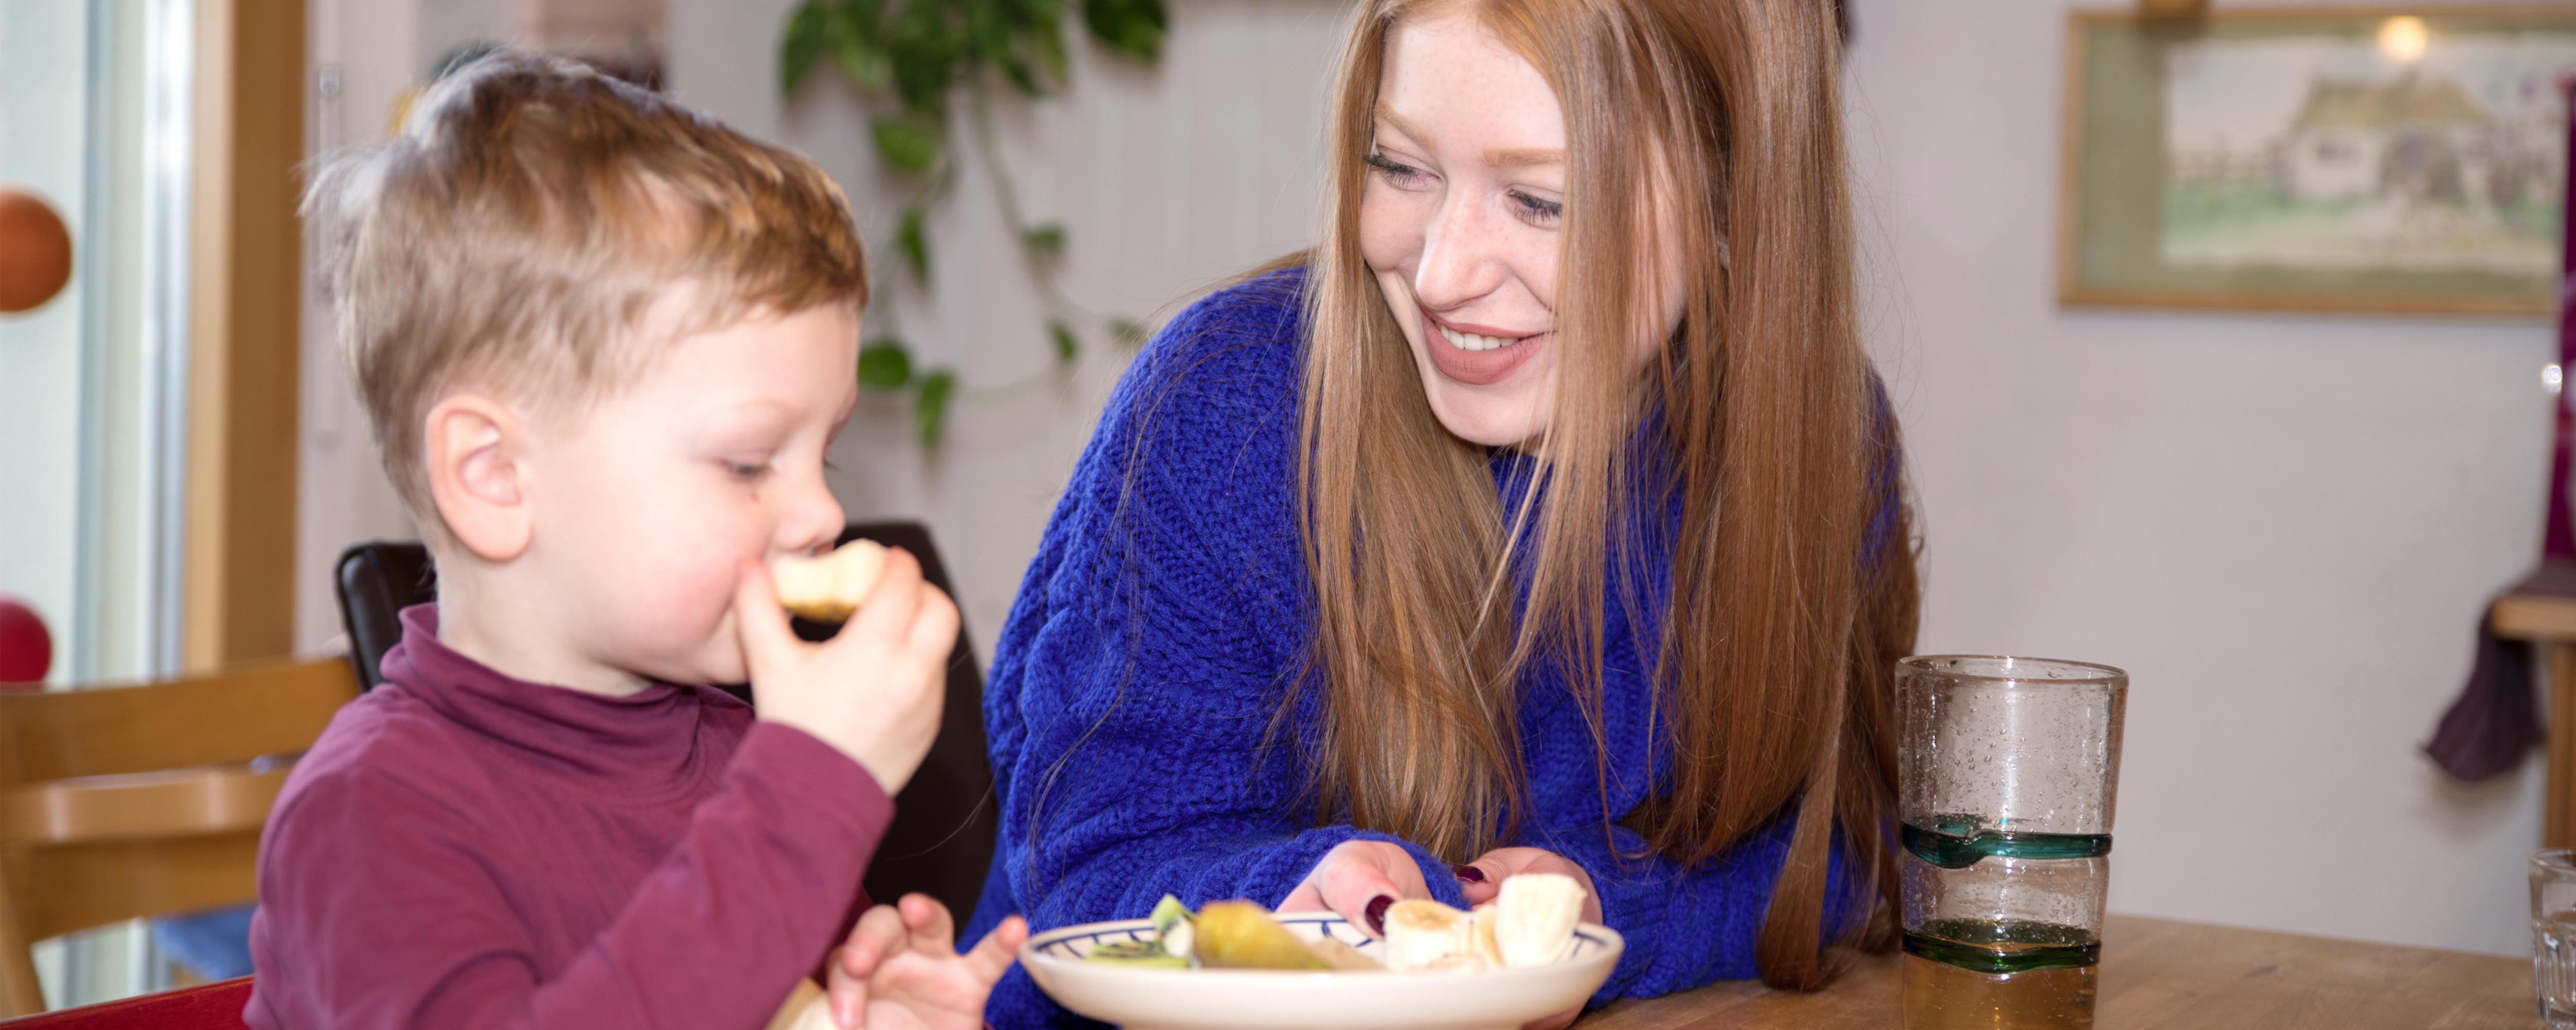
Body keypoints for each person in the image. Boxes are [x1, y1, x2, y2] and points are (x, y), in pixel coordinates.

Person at [963, 0, 1915, 1025]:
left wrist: (1597, 914)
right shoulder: (1223, 410)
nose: (1442, 272)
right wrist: (1295, 897)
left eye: (1541, 201)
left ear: (1736, 199)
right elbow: (1091, 861)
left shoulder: (1823, 432)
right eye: (1400, 166)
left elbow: (1847, 846)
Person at [246, 50, 1025, 1029]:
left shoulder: (744, 749)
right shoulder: (375, 817)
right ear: (494, 477)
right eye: (748, 462)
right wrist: (807, 798)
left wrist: (867, 1015)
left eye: (820, 458)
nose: (825, 515)